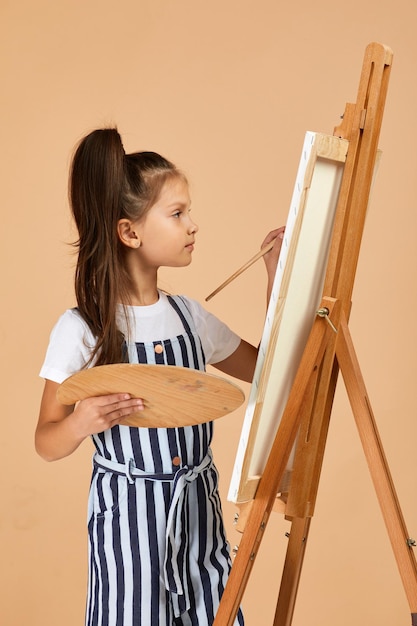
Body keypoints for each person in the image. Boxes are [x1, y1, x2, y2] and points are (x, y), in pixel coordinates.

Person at [35, 127, 284, 626]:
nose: (193, 225)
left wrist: (278, 285)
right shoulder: (83, 328)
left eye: (188, 212)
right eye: (177, 214)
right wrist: (81, 421)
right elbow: (46, 440)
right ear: (130, 232)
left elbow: (269, 373)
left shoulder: (191, 316)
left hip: (200, 517)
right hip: (128, 524)